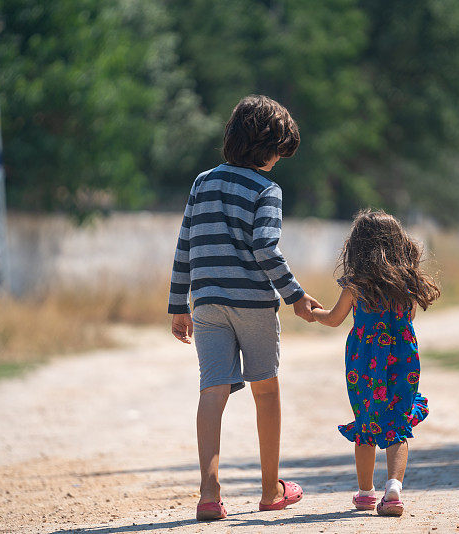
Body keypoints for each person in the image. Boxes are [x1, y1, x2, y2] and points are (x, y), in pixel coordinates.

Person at [167, 95, 322, 521]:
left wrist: (178, 304)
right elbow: (265, 249)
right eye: (278, 151)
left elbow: (185, 244)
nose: (278, 161)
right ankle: (271, 489)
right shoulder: (266, 189)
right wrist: (295, 295)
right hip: (252, 302)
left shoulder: (202, 182)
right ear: (270, 148)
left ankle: (209, 492)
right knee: (266, 389)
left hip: (208, 303)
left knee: (212, 390)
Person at [311, 209, 440, 517]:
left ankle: (366, 493)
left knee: (367, 419)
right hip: (404, 358)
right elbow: (406, 319)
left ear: (358, 247)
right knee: (397, 422)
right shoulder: (407, 284)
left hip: (364, 361)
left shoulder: (355, 284)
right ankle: (393, 489)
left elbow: (333, 319)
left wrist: (311, 312)